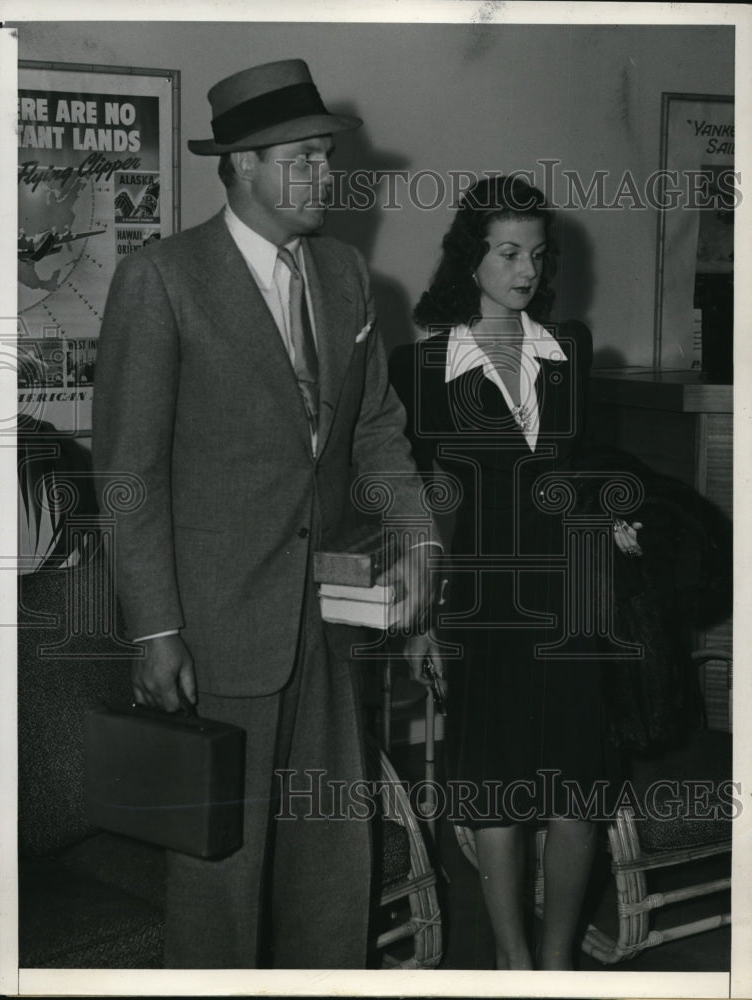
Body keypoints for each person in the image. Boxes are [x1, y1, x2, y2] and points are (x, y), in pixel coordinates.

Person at [93, 58, 436, 970]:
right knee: (222, 875)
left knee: (332, 866)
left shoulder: (346, 276)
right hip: (213, 630)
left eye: (327, 155)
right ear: (241, 164)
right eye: (303, 157)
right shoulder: (160, 279)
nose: (326, 174)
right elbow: (126, 474)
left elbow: (374, 433)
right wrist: (154, 627)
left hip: (326, 625)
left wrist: (418, 538)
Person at [389, 175, 640, 970]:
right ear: (471, 259)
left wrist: (616, 517)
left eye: (536, 253)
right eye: (506, 252)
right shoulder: (419, 366)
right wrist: (421, 620)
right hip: (483, 603)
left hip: (573, 594)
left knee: (577, 793)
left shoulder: (571, 345)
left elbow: (585, 465)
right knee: (496, 790)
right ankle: (512, 962)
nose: (524, 268)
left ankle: (557, 963)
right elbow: (427, 504)